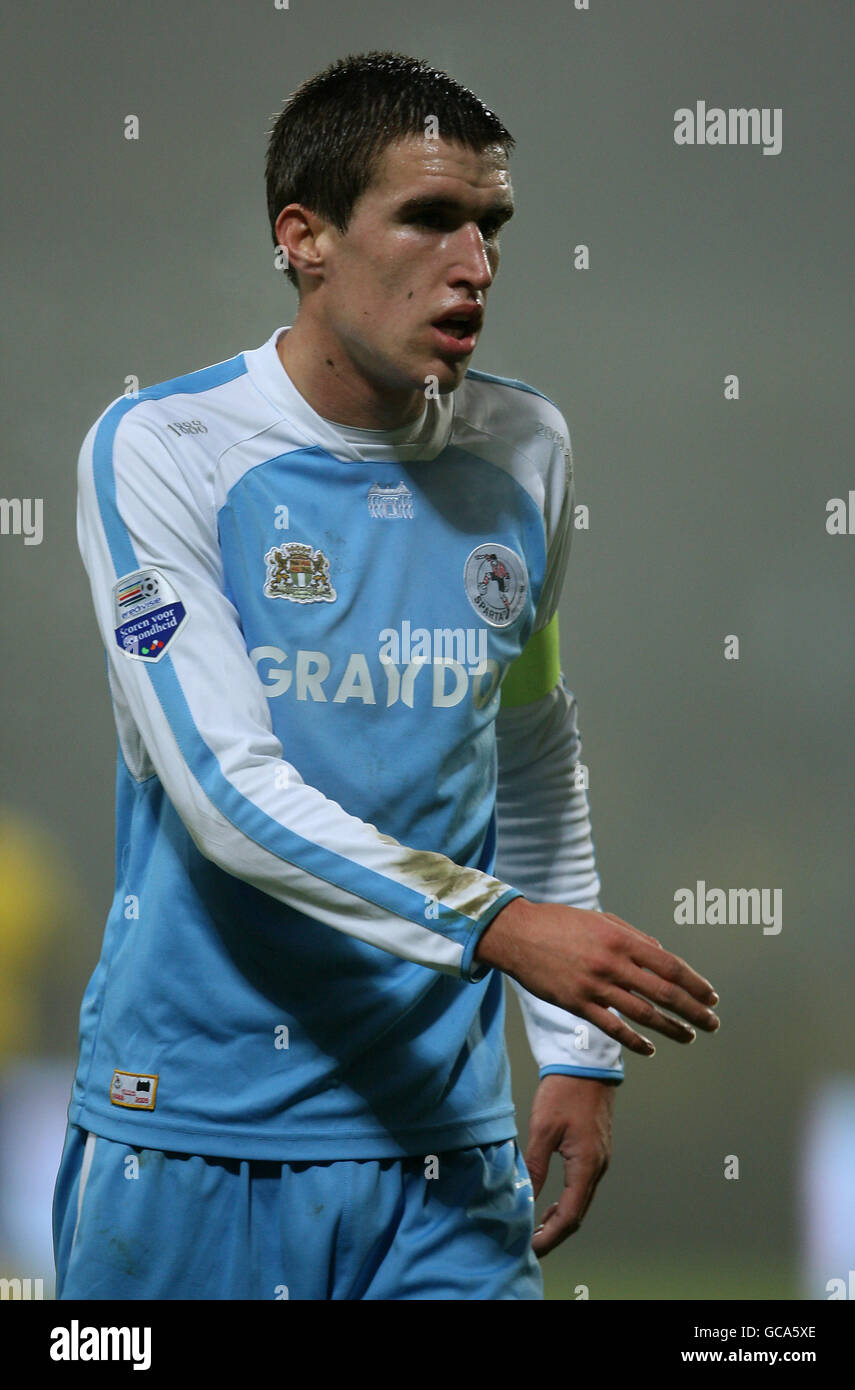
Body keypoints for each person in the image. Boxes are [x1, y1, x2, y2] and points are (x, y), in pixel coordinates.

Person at [53, 50, 719, 1301]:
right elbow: (219, 788)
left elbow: (524, 748)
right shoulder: (164, 449)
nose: (474, 265)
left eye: (491, 226)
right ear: (301, 238)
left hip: (444, 1157)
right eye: (427, 218)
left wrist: (574, 1047)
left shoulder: (525, 446)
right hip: (197, 1137)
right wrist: (503, 927)